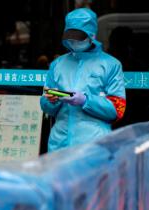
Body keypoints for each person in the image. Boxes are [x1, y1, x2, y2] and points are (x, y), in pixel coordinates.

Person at [40, 8, 126, 152]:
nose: (73, 41)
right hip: (59, 144)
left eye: (78, 37)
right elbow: (45, 105)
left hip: (94, 145)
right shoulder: (57, 64)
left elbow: (117, 109)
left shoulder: (111, 64)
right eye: (70, 37)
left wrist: (86, 100)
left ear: (92, 35)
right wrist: (51, 100)